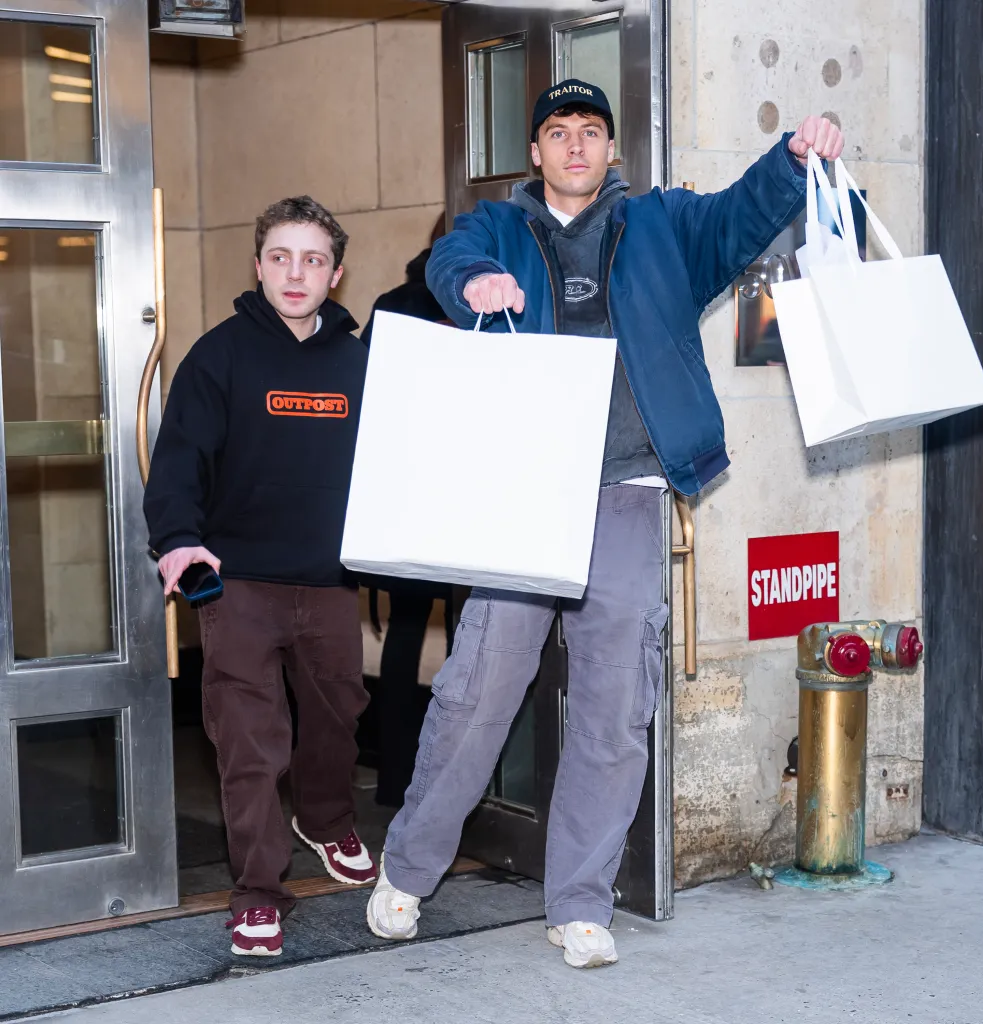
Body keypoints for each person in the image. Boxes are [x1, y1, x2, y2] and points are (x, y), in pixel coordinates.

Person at [365, 79, 844, 969]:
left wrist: (794, 157)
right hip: (523, 492)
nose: (576, 145)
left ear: (612, 150)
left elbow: (743, 215)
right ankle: (408, 868)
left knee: (614, 707)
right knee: (477, 692)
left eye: (592, 131)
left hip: (627, 491)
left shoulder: (664, 225)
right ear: (536, 152)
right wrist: (474, 278)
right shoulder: (497, 226)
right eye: (558, 132)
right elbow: (446, 260)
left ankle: (580, 902)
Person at [144, 195, 375, 959]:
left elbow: (400, 461)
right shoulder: (220, 356)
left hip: (332, 580)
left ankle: (326, 817)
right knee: (248, 741)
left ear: (335, 273)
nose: (295, 272)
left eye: (312, 259)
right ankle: (256, 893)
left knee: (338, 713)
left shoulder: (361, 361)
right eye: (281, 256)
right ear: (259, 266)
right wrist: (178, 539)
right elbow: (180, 462)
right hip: (239, 582)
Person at [360, 242, 455, 809]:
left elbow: (369, 401)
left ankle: (396, 779)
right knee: (486, 633)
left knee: (405, 633)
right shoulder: (496, 293)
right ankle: (467, 787)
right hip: (476, 487)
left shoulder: (392, 305)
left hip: (410, 491)